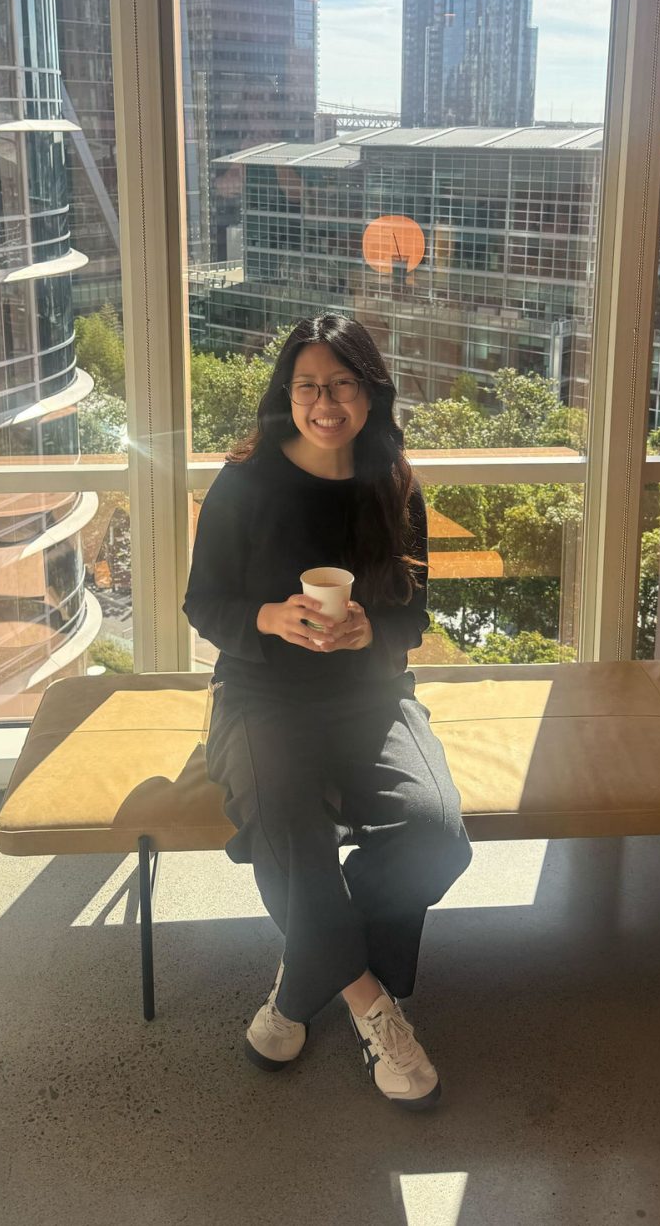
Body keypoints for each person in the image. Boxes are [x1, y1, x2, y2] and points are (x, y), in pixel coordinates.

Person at [184, 314, 472, 1110]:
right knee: (286, 825)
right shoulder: (243, 485)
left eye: (342, 384)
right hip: (260, 694)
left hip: (370, 696)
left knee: (437, 834)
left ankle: (302, 970)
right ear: (287, 393)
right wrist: (270, 620)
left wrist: (369, 629)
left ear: (370, 392)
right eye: (308, 385)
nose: (325, 401)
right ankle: (374, 1012)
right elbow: (201, 605)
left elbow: (414, 618)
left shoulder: (392, 485)